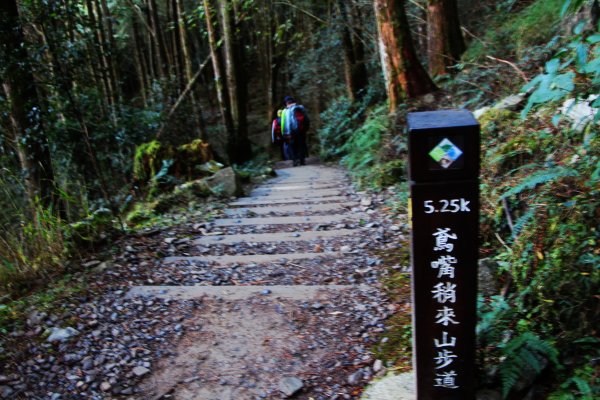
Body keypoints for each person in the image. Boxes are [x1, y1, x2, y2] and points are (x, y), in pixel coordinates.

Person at [281, 96, 310, 166]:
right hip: (301, 130)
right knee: (301, 145)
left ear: (286, 102)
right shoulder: (300, 107)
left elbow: (284, 123)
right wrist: (306, 128)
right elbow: (307, 119)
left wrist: (284, 133)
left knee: (293, 146)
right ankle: (302, 161)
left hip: (291, 131)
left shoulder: (285, 111)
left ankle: (295, 161)